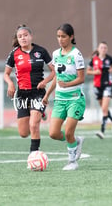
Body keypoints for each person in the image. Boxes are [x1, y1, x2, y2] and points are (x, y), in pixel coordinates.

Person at [4, 24, 55, 155]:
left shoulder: (41, 51)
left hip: (37, 93)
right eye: (20, 36)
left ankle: (34, 155)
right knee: (24, 133)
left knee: (34, 125)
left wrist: (45, 81)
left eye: (25, 35)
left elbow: (54, 71)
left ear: (31, 36)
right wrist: (10, 83)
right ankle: (40, 113)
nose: (23, 38)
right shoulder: (14, 54)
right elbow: (6, 74)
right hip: (22, 94)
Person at [42, 23, 85, 171]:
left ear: (71, 37)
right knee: (53, 133)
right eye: (58, 36)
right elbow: (56, 77)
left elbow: (81, 78)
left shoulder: (76, 55)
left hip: (75, 99)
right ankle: (77, 141)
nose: (60, 39)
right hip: (60, 99)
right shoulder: (55, 54)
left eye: (63, 36)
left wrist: (68, 84)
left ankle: (72, 161)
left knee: (68, 132)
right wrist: (47, 94)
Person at [86, 42, 112, 139]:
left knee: (104, 109)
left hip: (108, 84)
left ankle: (102, 131)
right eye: (101, 47)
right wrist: (94, 72)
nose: (103, 49)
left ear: (106, 49)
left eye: (105, 48)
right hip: (97, 85)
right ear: (98, 49)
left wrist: (111, 70)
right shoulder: (94, 59)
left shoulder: (109, 59)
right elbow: (87, 71)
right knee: (104, 108)